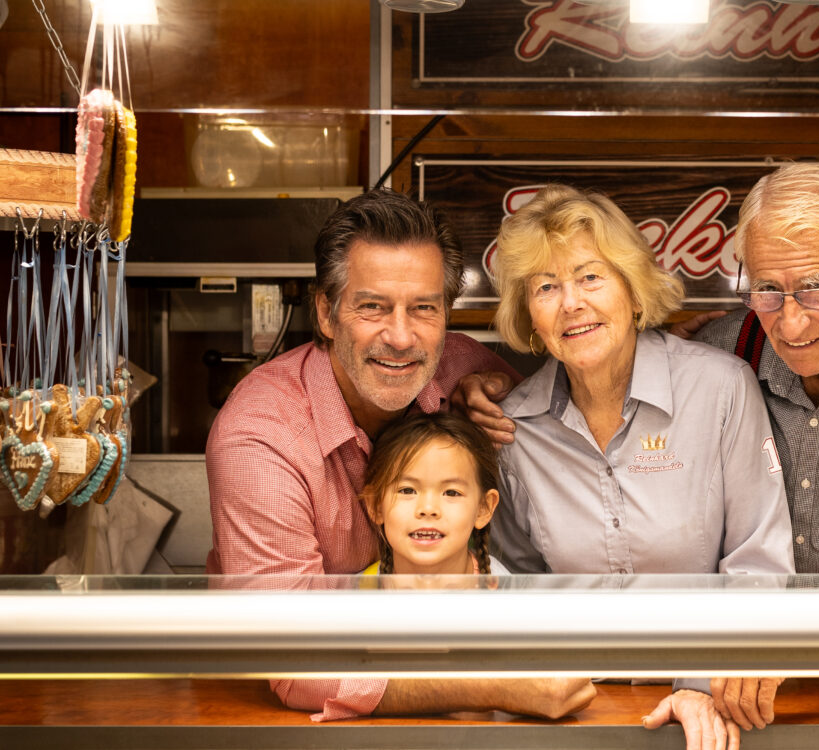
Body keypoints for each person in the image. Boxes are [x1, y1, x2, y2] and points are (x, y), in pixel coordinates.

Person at [460, 165, 819, 735]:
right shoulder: (730, 348)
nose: (791, 320)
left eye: (815, 287)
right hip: (730, 694)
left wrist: (794, 628)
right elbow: (619, 361)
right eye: (767, 291)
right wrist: (488, 381)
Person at [206, 189, 591, 722]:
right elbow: (290, 658)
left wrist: (509, 386)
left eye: (424, 309)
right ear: (326, 311)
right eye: (373, 307)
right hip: (287, 717)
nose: (402, 337)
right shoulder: (259, 436)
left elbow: (572, 421)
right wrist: (489, 688)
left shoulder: (460, 369)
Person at [488, 183, 795, 750]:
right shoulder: (515, 429)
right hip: (575, 712)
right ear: (529, 315)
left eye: (590, 277)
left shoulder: (721, 388)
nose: (571, 302)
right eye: (546, 287)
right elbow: (518, 582)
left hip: (712, 711)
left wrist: (705, 684)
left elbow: (760, 560)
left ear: (633, 292)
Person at [359, 411, 509, 576]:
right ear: (376, 505)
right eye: (407, 490)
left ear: (483, 508)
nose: (428, 508)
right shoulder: (354, 595)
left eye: (451, 493)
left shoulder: (509, 595)